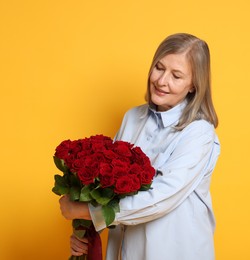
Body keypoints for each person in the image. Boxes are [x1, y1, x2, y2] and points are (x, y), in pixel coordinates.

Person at [59, 32, 220, 260]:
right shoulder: (132, 118)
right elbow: (107, 188)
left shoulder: (199, 132)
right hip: (126, 249)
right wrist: (85, 232)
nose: (161, 81)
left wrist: (88, 212)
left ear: (194, 85)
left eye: (176, 76)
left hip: (174, 251)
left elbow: (162, 197)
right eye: (159, 67)